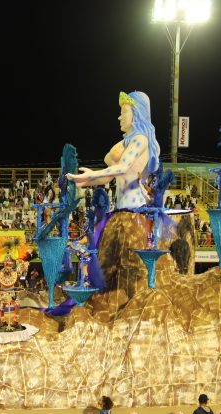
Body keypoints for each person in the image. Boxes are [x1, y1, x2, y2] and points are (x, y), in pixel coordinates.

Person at [67, 90, 163, 298]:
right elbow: (108, 176)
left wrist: (96, 172)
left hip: (135, 211)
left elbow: (122, 167)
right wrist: (86, 180)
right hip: (120, 211)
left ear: (136, 114)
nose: (119, 117)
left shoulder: (140, 139)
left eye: (124, 111)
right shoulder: (128, 142)